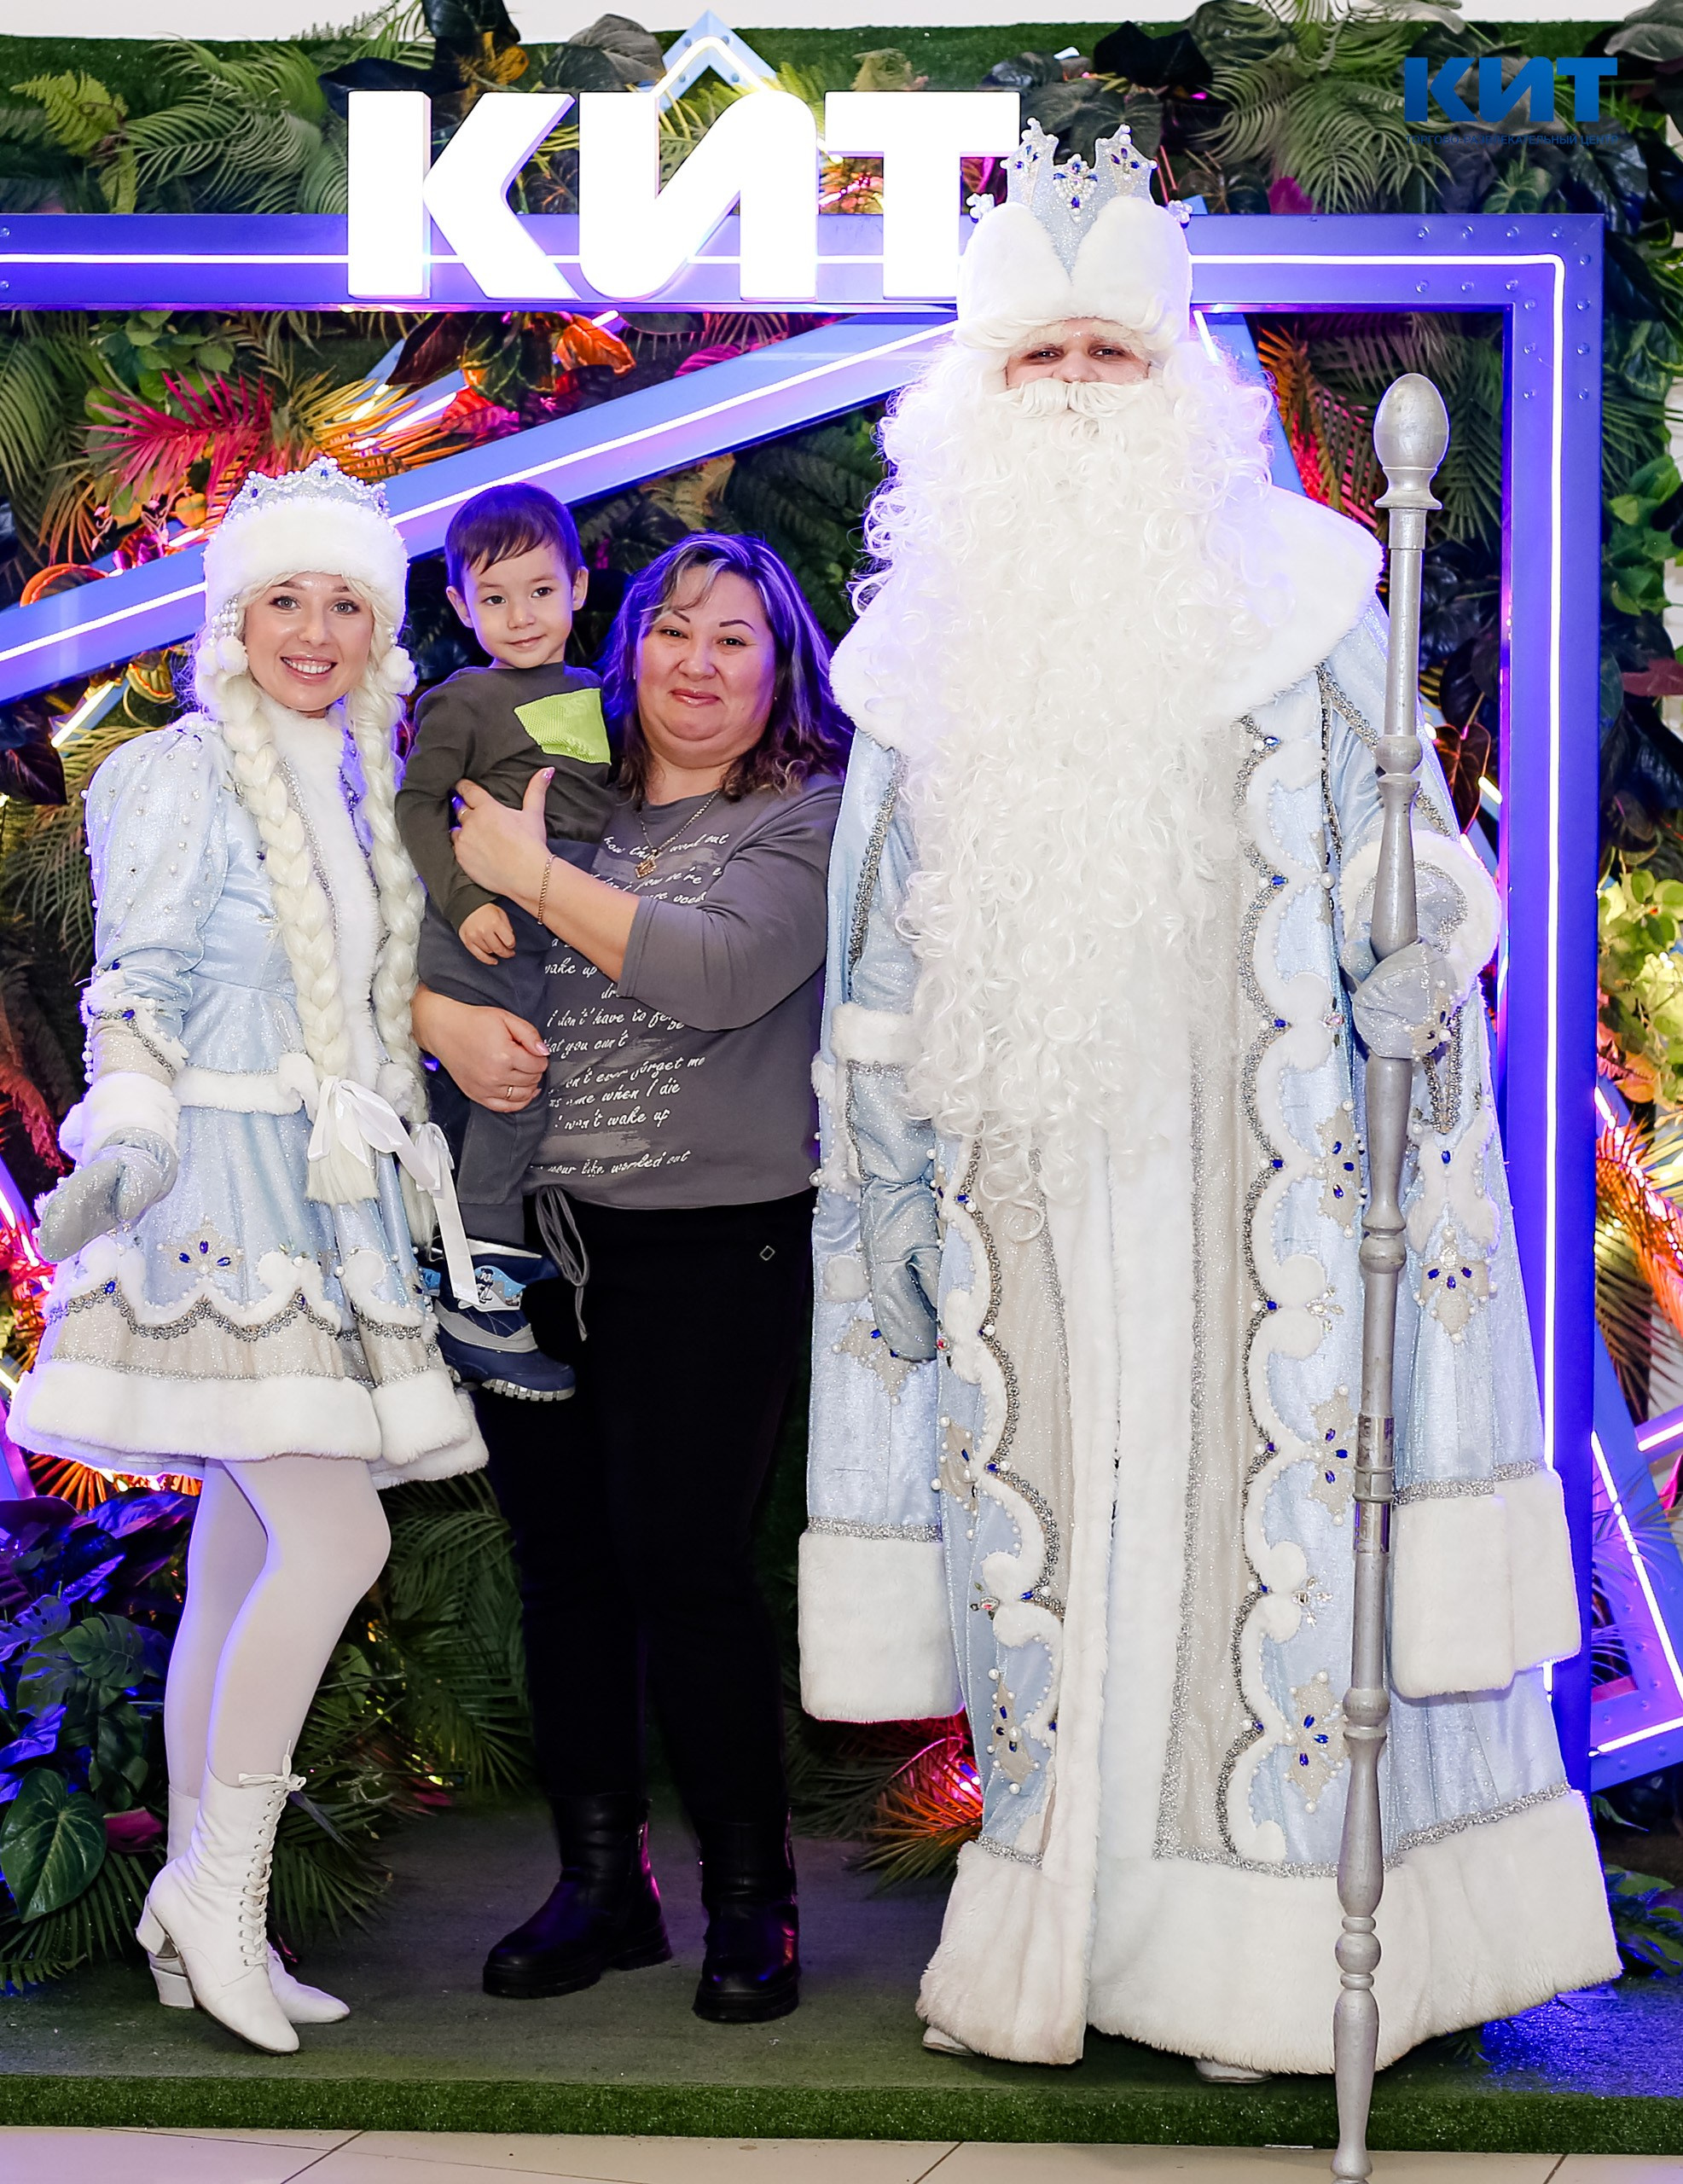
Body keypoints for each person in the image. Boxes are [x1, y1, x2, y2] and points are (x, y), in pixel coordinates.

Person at [798, 123, 1619, 2074]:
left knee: (1255, 1577)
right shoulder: (916, 664)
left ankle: (1259, 1969)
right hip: (1022, 1194)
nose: (1074, 394)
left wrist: (1419, 924)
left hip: (1265, 1173)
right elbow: (877, 979)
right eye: (1037, 362)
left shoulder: (1308, 604)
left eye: (1106, 359)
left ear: (1172, 386)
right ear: (978, 397)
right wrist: (894, 1204)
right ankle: (1069, 1939)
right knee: (1055, 1585)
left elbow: (1398, 854)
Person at [11, 460, 485, 2057]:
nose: (316, 626)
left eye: (346, 598)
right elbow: (131, 988)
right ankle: (216, 1888)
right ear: (232, 614)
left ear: (378, 629)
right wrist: (123, 1140)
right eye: (286, 594)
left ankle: (203, 1910)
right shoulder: (177, 774)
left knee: (238, 1552)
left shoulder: (356, 786)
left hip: (323, 1190)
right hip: (220, 1190)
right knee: (334, 1544)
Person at [410, 532, 850, 2026]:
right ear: (628, 650)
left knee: (689, 1569)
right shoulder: (571, 806)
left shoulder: (803, 819)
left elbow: (718, 974)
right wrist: (437, 1013)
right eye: (673, 630)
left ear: (779, 665)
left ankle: (751, 1901)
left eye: (735, 637)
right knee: (564, 1574)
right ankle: (601, 1886)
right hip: (537, 1242)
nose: (697, 662)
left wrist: (530, 876)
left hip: (712, 1249)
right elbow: (435, 950)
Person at [396, 481, 612, 1403]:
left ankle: (458, 1255)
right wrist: (460, 895)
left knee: (525, 1097)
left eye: (538, 590)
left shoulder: (601, 692)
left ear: (578, 586)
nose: (518, 616)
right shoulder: (464, 699)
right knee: (513, 1098)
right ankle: (476, 1301)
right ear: (458, 606)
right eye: (492, 598)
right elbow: (412, 805)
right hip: (481, 929)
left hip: (552, 925)